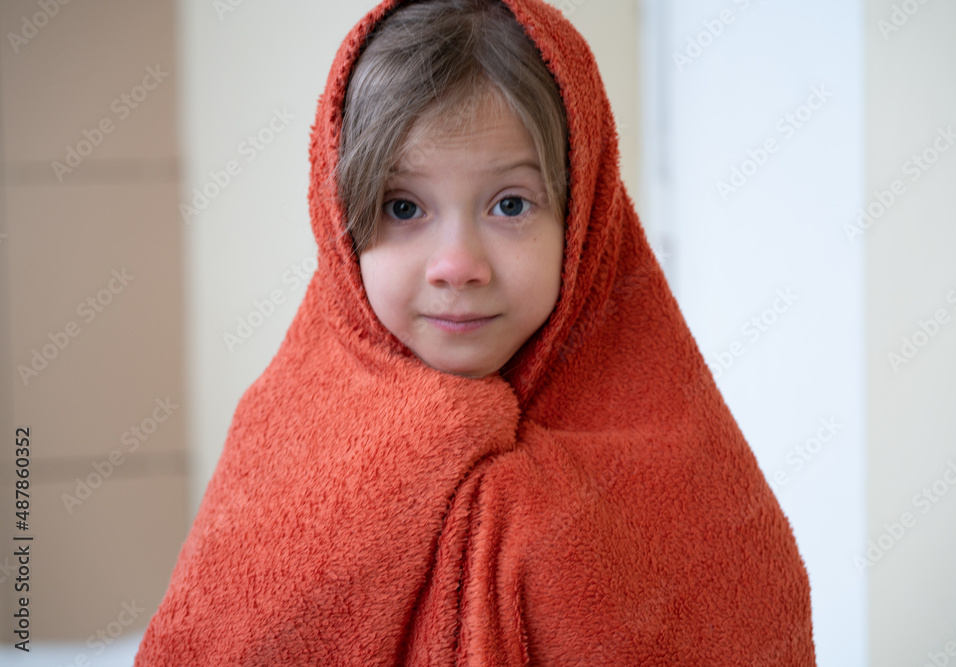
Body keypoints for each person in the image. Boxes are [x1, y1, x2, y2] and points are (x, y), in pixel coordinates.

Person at [135, 0, 817, 664]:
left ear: (584, 216)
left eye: (511, 204)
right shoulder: (283, 438)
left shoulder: (686, 477)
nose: (457, 264)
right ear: (340, 221)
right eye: (403, 206)